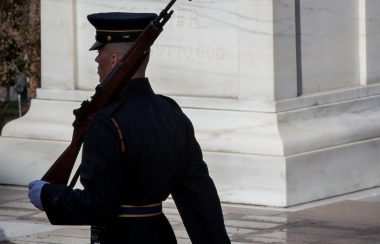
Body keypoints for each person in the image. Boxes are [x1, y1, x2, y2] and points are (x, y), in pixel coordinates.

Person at [28, 12, 231, 243]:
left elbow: (99, 205)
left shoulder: (106, 122)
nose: (96, 63)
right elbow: (200, 198)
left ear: (114, 59)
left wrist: (48, 195)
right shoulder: (172, 113)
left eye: (100, 54)